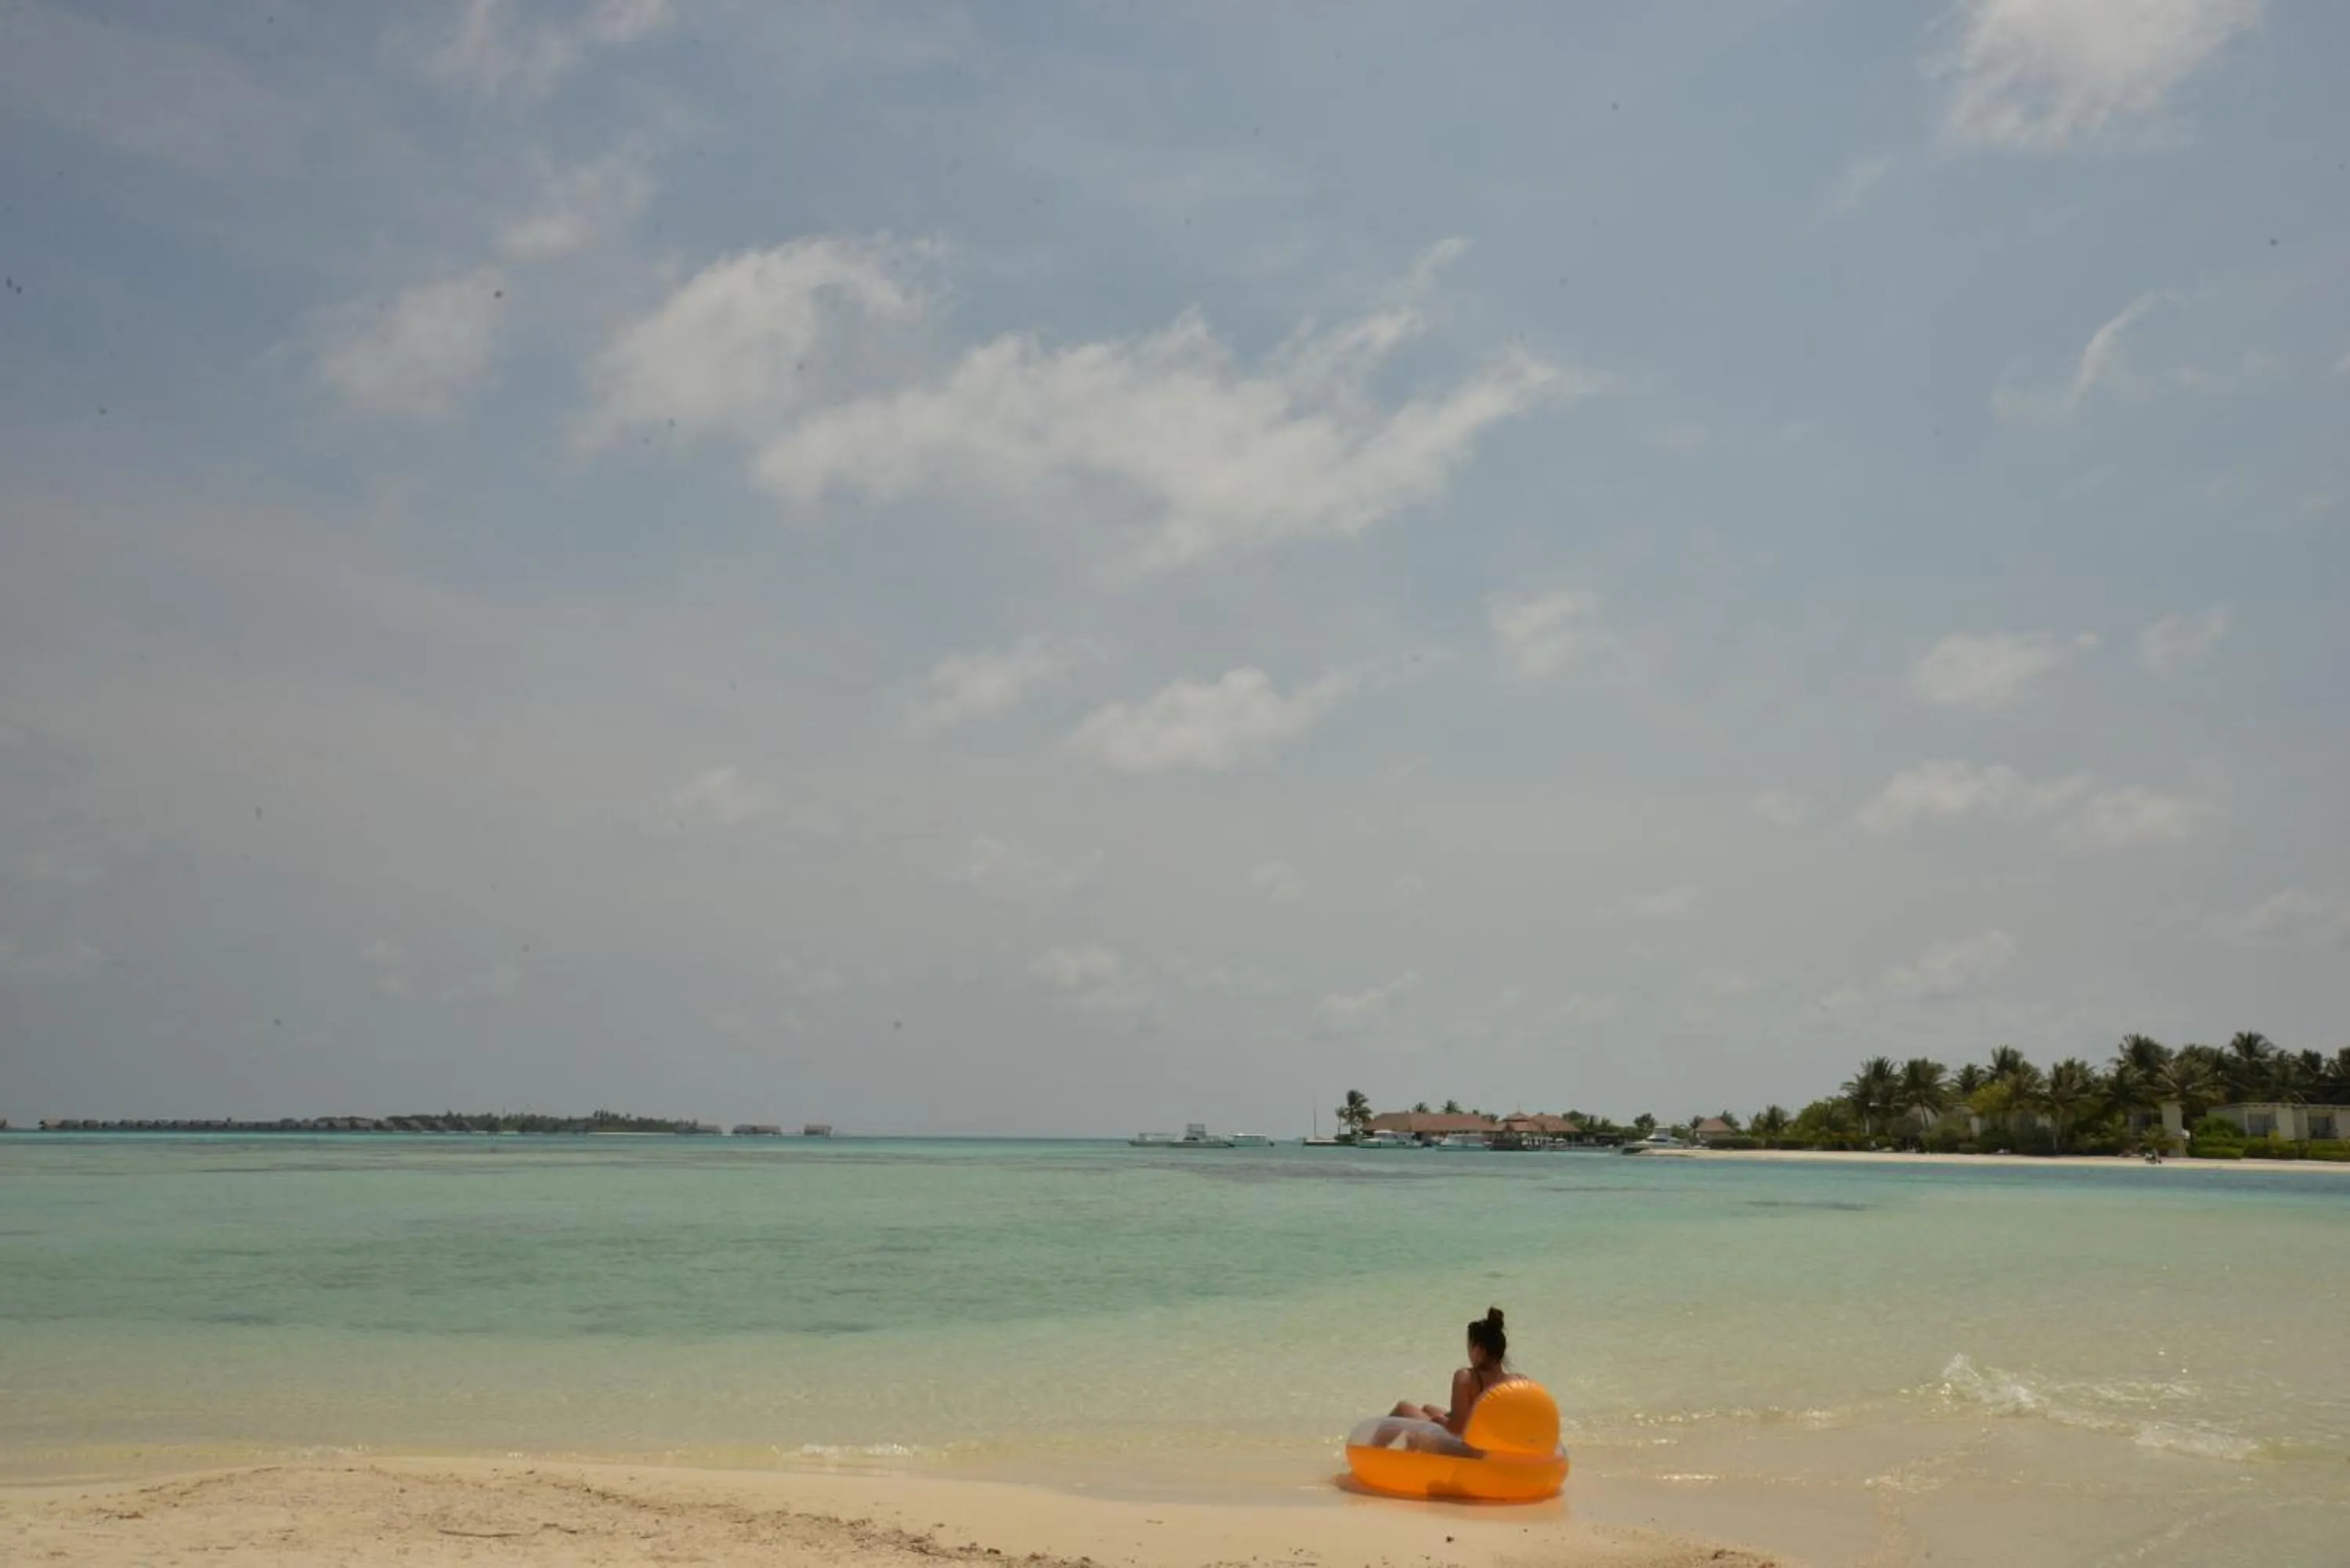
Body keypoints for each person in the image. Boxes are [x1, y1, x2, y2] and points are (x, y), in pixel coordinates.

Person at [1389, 1306, 1522, 1436]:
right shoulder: (1517, 1381)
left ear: (1479, 1350)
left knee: (1403, 1408)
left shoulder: (1465, 1378)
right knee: (1428, 1409)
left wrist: (1440, 1421)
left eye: (1469, 1347)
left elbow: (1456, 1429)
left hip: (1463, 1448)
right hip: (1490, 1441)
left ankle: (1373, 1452)